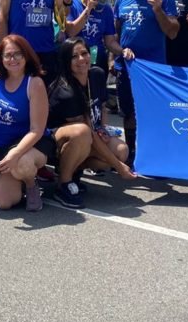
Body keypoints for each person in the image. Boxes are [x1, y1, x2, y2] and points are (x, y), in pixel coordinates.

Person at [47, 38, 134, 208]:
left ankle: (74, 171)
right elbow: (89, 133)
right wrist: (119, 168)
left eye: (84, 53)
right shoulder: (66, 91)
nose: (81, 59)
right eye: (74, 56)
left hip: (89, 134)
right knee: (82, 133)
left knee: (121, 151)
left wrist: (102, 128)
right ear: (66, 61)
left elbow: (102, 106)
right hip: (56, 141)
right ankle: (63, 183)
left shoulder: (96, 74)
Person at [113, 0, 180, 162]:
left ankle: (155, 156)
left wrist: (158, 10)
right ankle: (132, 156)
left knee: (153, 113)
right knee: (129, 113)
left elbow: (172, 32)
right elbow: (116, 32)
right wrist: (114, 56)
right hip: (126, 67)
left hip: (153, 69)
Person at [0, 34, 54, 211]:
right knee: (6, 202)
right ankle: (17, 180)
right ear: (1, 58)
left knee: (21, 163)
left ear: (26, 55)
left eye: (18, 54)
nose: (12, 59)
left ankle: (31, 184)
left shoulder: (34, 83)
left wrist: (15, 153)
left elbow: (36, 130)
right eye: (7, 55)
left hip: (29, 143)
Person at [65, 0, 120, 77]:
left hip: (97, 60)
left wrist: (122, 52)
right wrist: (88, 8)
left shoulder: (106, 9)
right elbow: (71, 32)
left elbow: (109, 41)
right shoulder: (70, 3)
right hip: (75, 60)